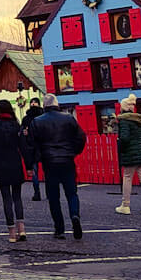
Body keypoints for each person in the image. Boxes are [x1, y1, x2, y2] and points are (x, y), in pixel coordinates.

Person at [31, 95, 86, 240]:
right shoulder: (68, 118)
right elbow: (81, 137)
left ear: (44, 105)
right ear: (57, 104)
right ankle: (75, 215)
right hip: (67, 159)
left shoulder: (37, 122)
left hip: (49, 161)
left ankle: (59, 229)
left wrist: (39, 157)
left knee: (53, 196)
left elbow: (33, 143)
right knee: (72, 193)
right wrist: (74, 151)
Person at [113, 94, 141, 216]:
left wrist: (121, 149)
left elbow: (124, 138)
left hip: (130, 154)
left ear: (123, 108)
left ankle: (125, 205)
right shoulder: (139, 120)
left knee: (127, 178)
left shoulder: (124, 121)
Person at [0, 99, 28, 241]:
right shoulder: (16, 125)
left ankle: (12, 233)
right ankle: (22, 229)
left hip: (0, 162)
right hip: (15, 162)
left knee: (6, 198)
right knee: (17, 197)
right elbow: (22, 145)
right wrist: (29, 165)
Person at [19, 97, 44, 201]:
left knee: (37, 170)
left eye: (35, 102)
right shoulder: (30, 118)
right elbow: (22, 131)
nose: (33, 104)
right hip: (36, 146)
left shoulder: (40, 117)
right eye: (32, 102)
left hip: (36, 146)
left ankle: (38, 192)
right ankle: (37, 192)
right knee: (36, 171)